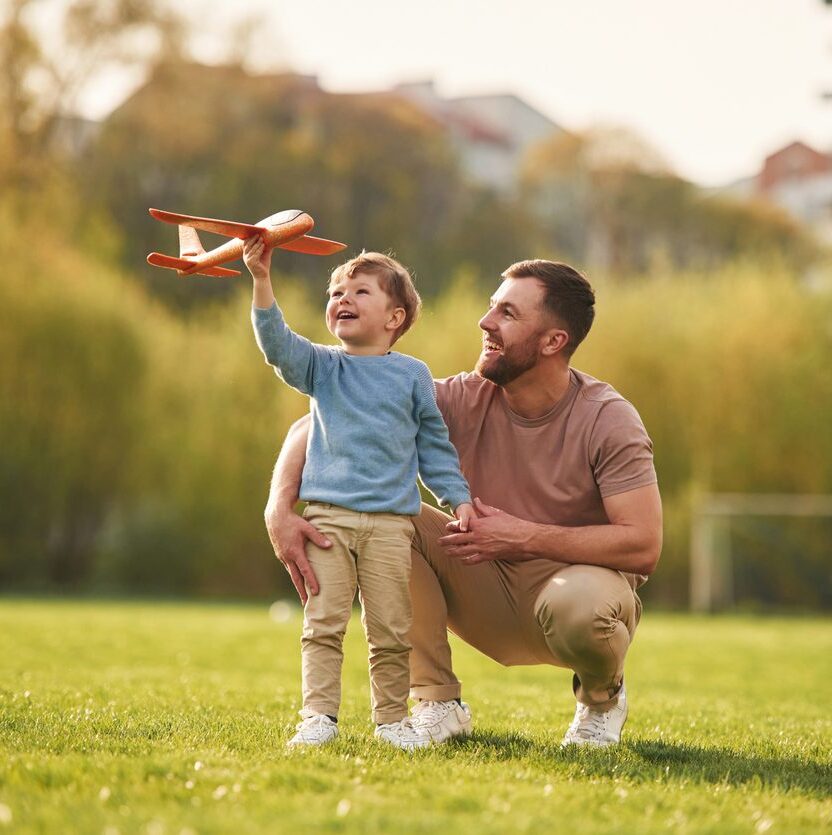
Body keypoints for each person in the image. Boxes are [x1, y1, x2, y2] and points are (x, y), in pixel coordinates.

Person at [267, 258, 662, 748]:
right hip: (483, 581)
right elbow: (317, 424)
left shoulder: (608, 418)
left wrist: (524, 534)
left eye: (508, 314)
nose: (485, 322)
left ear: (553, 341)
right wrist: (279, 509)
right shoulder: (460, 397)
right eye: (492, 307)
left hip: (574, 595)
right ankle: (437, 702)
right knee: (392, 521)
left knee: (578, 606)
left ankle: (600, 702)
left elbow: (643, 545)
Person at [243, 237, 474, 751]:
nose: (341, 299)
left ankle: (392, 721)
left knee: (391, 631)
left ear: (395, 317)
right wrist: (261, 280)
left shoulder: (412, 376)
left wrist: (457, 499)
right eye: (335, 292)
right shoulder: (324, 367)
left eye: (359, 291)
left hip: (392, 527)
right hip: (327, 522)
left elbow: (434, 448)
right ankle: (318, 718)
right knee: (323, 625)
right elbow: (277, 345)